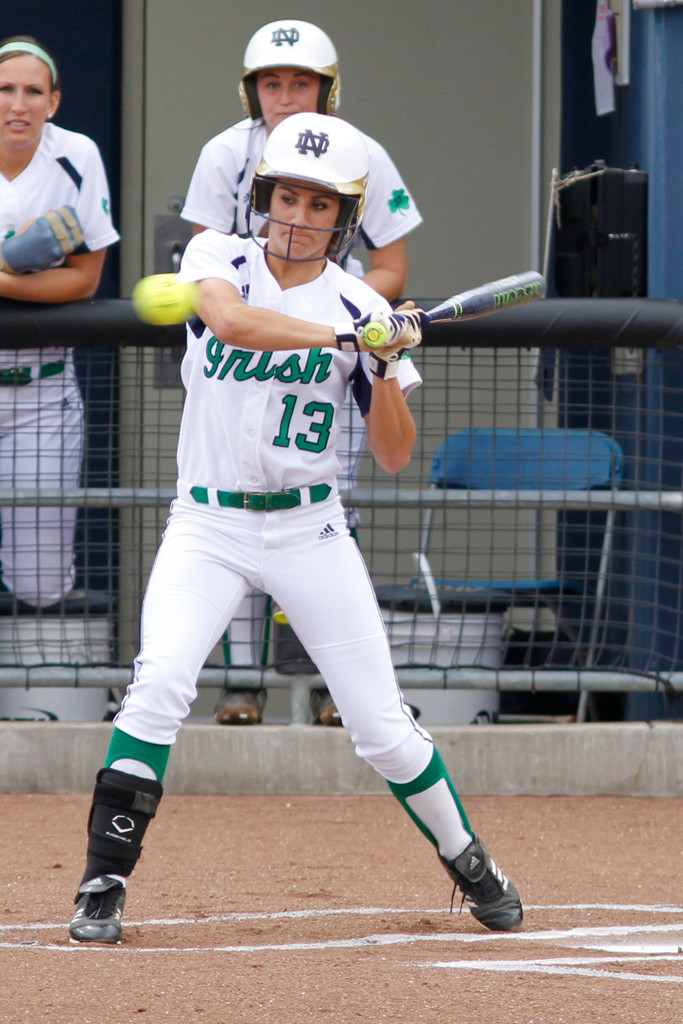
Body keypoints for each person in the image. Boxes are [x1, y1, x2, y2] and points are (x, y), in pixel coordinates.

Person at [68, 112, 522, 944]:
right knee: (162, 680)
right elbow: (234, 323)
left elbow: (391, 454)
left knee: (379, 726)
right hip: (207, 524)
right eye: (285, 198)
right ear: (259, 197)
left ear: (343, 220)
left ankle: (467, 859)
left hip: (311, 528)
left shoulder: (358, 302)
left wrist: (383, 365)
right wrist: (352, 334)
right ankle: (103, 879)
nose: (297, 219)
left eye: (319, 206)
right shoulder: (219, 258)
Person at [181, 18, 423, 726]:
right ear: (252, 90)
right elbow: (213, 266)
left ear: (327, 89)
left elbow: (391, 264)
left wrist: (357, 315)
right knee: (224, 503)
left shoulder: (361, 154)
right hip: (247, 344)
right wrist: (337, 323)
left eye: (301, 83)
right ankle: (240, 681)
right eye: (271, 83)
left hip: (327, 356)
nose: (285, 96)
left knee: (316, 513)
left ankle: (324, 682)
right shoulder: (224, 152)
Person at [0, 36, 119, 608]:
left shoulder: (78, 155)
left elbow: (85, 280)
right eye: (4, 89)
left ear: (54, 102)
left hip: (40, 393)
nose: (17, 104)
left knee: (40, 584)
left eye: (32, 92)